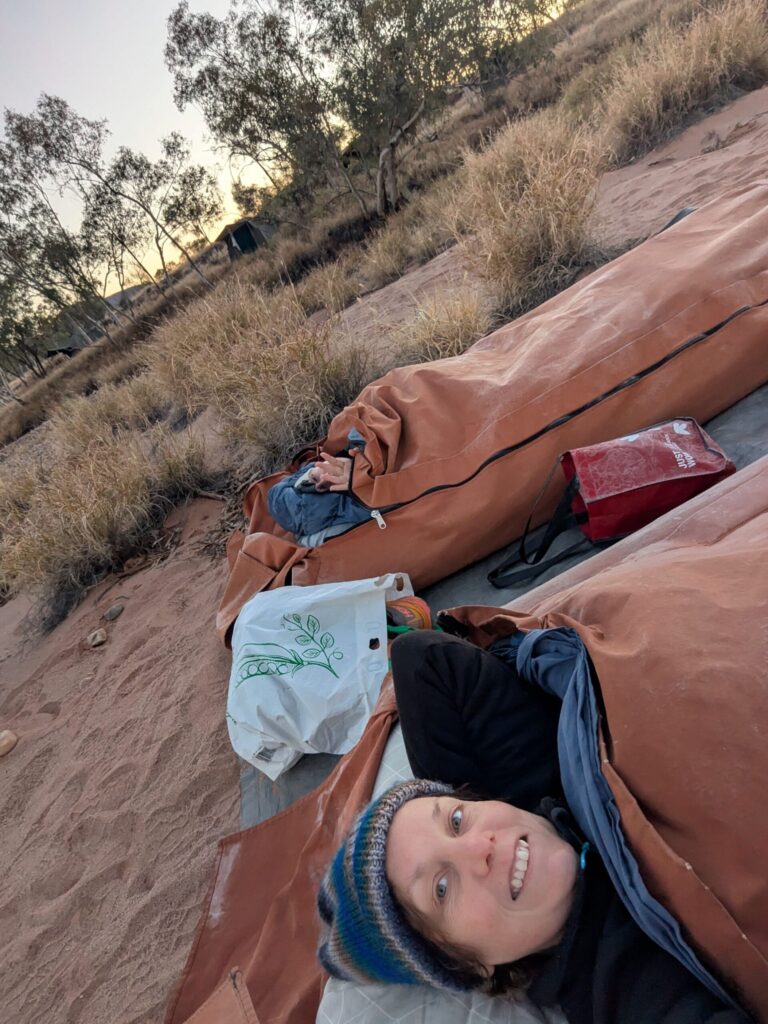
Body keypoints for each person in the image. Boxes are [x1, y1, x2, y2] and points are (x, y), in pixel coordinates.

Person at [317, 630, 752, 1024]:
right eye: (442, 888)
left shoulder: (539, 789)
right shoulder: (621, 983)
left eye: (454, 820)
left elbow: (421, 660)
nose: (478, 847)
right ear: (471, 967)